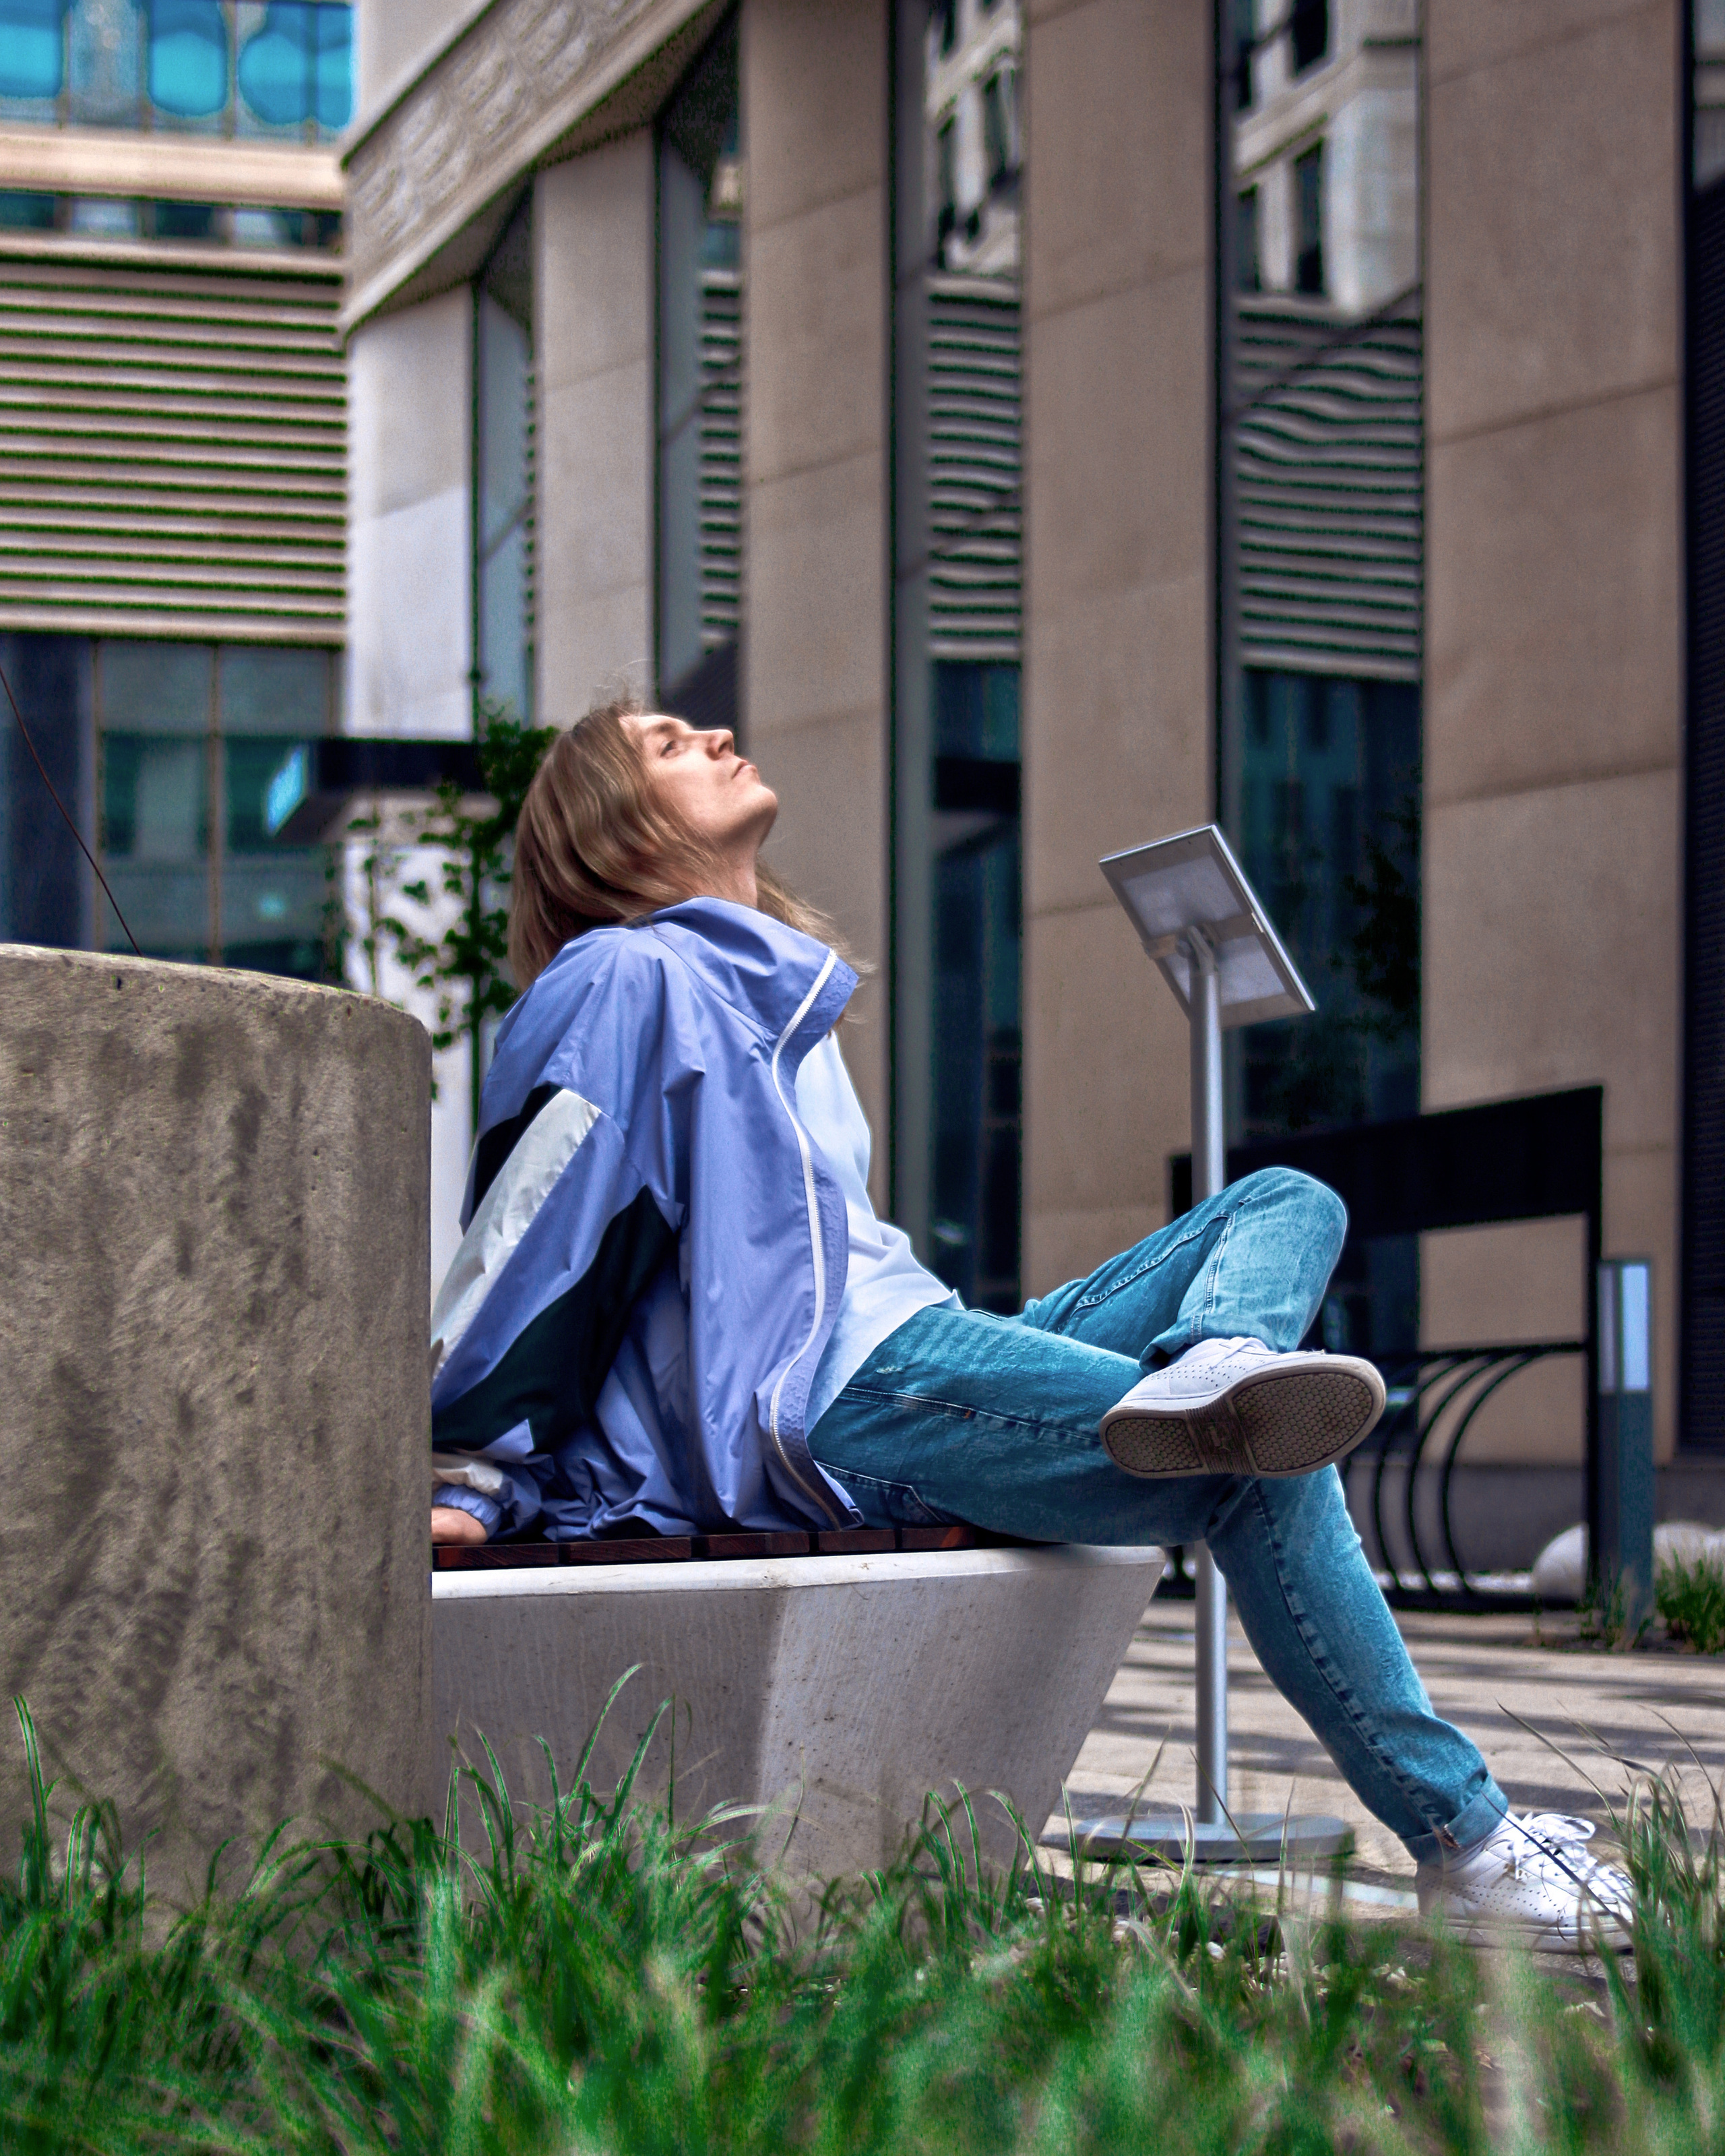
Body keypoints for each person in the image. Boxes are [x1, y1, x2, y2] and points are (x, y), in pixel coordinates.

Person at [427, 696, 1633, 1954]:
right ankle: (1470, 1845)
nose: (715, 738)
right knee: (1255, 1462)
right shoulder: (624, 975)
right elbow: (539, 1225)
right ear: (608, 828)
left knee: (1287, 1201)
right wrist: (476, 1470)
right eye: (667, 747)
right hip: (838, 1396)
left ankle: (1215, 1362)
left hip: (917, 1342)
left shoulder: (755, 982)